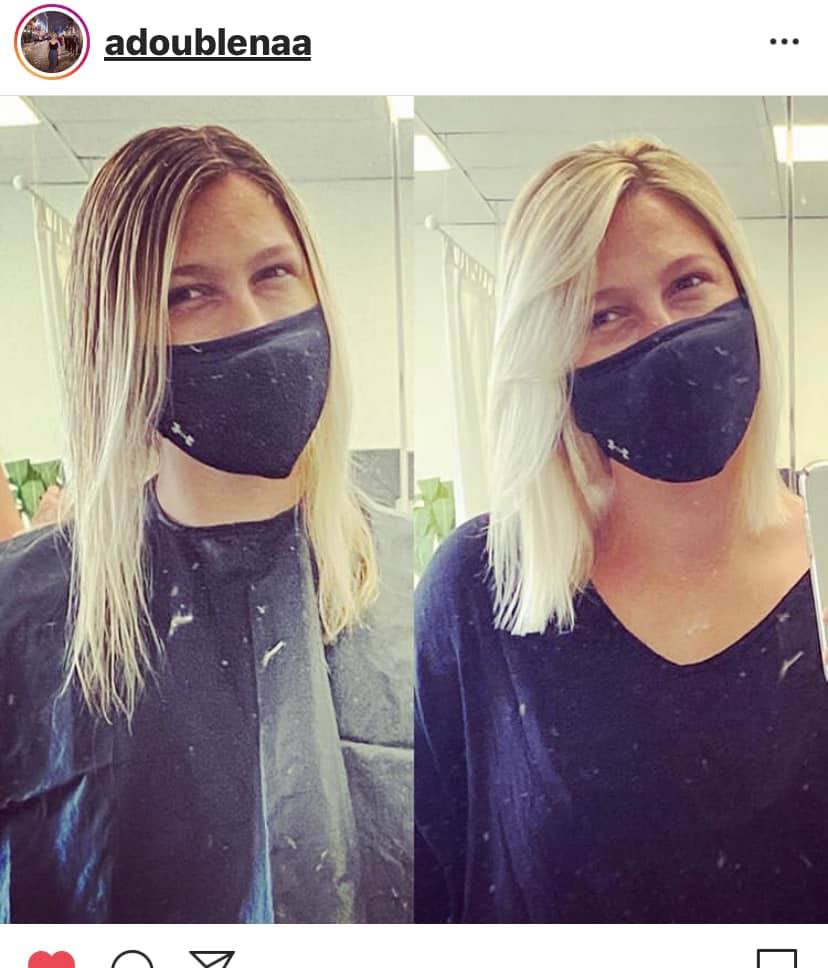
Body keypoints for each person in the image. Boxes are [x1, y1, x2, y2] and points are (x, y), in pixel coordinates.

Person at [0, 125, 412, 923]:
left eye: (274, 274)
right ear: (116, 340)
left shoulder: (419, 583)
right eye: (187, 294)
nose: (249, 322)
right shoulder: (26, 614)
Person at [415, 136, 828, 924]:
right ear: (554, 366)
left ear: (743, 295)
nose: (662, 334)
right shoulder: (481, 588)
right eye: (606, 315)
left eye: (689, 284)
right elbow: (434, 887)